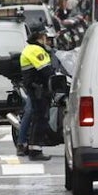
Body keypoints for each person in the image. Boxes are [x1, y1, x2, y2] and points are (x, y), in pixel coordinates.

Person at [17, 22, 56, 160]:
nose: (47, 38)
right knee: (40, 118)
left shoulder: (31, 48)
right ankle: (35, 150)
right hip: (39, 89)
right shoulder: (36, 50)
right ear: (40, 36)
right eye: (45, 35)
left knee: (38, 117)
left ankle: (33, 148)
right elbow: (47, 71)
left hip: (34, 89)